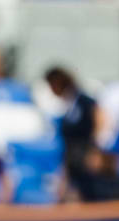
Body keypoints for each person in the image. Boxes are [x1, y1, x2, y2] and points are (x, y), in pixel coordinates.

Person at [45, 66, 103, 194]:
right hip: (72, 159)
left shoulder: (84, 101)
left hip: (86, 157)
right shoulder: (67, 105)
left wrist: (95, 151)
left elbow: (99, 122)